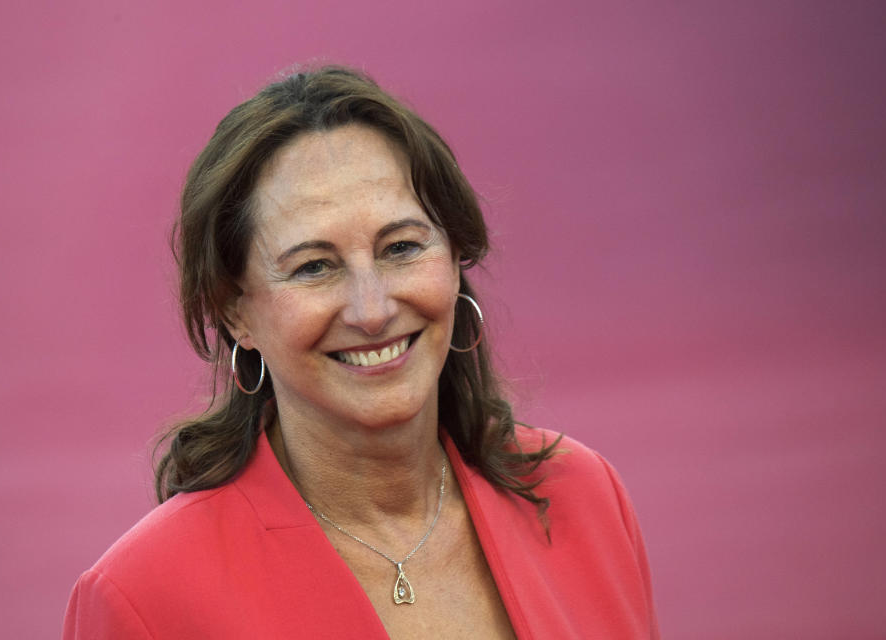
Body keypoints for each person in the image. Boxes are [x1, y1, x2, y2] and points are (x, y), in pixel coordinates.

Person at [62, 66, 659, 639]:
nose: (371, 310)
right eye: (314, 266)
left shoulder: (582, 496)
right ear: (234, 310)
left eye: (401, 247)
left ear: (456, 261)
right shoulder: (144, 597)